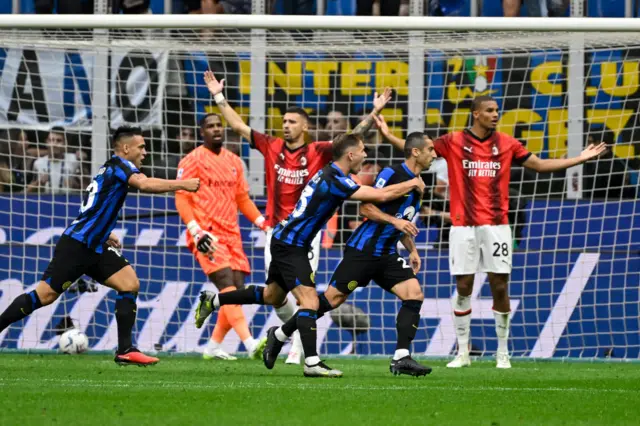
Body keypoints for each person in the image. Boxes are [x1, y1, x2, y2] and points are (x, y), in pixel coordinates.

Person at [377, 95, 606, 369]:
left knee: (500, 285)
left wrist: (579, 159)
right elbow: (418, 151)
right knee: (463, 286)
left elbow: (540, 165)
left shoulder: (507, 144)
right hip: (463, 227)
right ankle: (462, 353)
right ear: (476, 114)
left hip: (497, 226)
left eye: (497, 110)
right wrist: (390, 136)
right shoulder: (453, 141)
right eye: (490, 110)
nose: (495, 114)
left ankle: (502, 351)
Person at [194, 133, 425, 377]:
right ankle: (311, 362)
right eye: (363, 151)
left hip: (287, 240)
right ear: (350, 155)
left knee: (272, 295)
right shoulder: (335, 179)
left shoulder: (332, 174)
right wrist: (411, 183)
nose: (366, 155)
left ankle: (214, 301)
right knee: (310, 301)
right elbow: (380, 197)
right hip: (291, 244)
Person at [203, 70, 393, 364]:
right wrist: (218, 95)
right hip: (277, 232)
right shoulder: (272, 146)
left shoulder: (319, 151)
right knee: (274, 298)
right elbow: (239, 126)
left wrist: (374, 112)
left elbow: (352, 142)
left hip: (307, 236)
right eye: (284, 122)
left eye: (292, 122)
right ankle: (282, 336)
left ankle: (301, 352)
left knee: (306, 295)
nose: (286, 126)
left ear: (305, 126)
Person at [0, 126, 200, 366]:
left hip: (95, 244)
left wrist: (105, 232)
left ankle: (125, 349)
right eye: (141, 147)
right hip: (77, 245)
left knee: (129, 283)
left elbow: (94, 207)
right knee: (45, 296)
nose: (145, 152)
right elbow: (144, 185)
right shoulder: (121, 165)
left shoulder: (109, 168)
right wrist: (183, 184)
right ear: (126, 148)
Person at [264, 132, 436, 377]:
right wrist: (394, 221)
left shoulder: (419, 184)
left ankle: (401, 357)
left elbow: (403, 218)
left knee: (414, 294)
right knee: (332, 300)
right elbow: (367, 206)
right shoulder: (392, 175)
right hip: (363, 250)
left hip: (387, 253)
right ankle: (280, 334)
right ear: (416, 152)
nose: (435, 154)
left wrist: (412, 249)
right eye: (431, 149)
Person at [175, 113, 268, 361]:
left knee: (235, 292)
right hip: (207, 235)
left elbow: (242, 199)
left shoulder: (235, 162)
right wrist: (195, 230)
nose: (216, 129)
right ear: (201, 132)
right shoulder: (192, 160)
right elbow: (181, 197)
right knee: (227, 284)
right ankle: (251, 344)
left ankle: (213, 346)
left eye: (219, 125)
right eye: (210, 126)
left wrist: (262, 223)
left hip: (232, 235)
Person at [30, 127, 79, 194]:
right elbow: (29, 191)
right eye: (51, 140)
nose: (54, 144)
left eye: (59, 140)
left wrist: (76, 185)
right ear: (46, 142)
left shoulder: (74, 160)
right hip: (46, 202)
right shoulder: (38, 163)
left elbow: (87, 186)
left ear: (65, 143)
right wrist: (39, 183)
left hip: (69, 201)